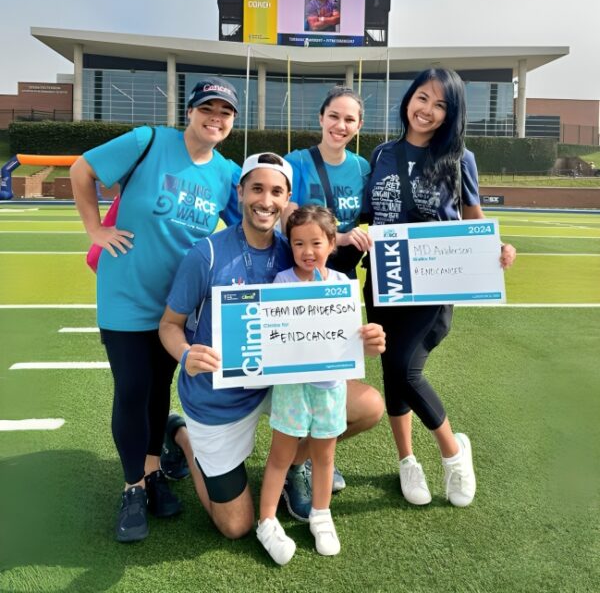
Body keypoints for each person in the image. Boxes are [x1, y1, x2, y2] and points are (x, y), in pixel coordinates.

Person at [158, 153, 386, 544]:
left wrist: (360, 340)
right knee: (236, 526)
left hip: (280, 386)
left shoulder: (294, 250)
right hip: (221, 397)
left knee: (369, 406)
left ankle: (295, 463)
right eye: (257, 189)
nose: (266, 200)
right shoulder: (206, 254)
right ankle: (182, 436)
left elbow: (323, 324)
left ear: (287, 198)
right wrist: (186, 355)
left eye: (276, 191)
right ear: (241, 192)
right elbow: (170, 325)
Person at [70, 76, 242, 543]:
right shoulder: (149, 141)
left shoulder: (227, 172)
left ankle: (152, 473)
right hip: (125, 293)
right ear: (190, 111)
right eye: (208, 108)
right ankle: (131, 488)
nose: (216, 118)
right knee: (132, 388)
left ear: (232, 121)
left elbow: (252, 223)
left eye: (225, 112)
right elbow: (82, 170)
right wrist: (94, 230)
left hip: (177, 308)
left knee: (158, 390)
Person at [362, 67, 517, 509]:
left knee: (407, 368)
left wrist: (498, 245)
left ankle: (453, 454)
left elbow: (473, 217)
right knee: (391, 369)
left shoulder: (459, 158)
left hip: (433, 284)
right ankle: (407, 460)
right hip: (385, 279)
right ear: (409, 99)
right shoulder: (381, 154)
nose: (427, 110)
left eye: (440, 104)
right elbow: (369, 216)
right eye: (422, 98)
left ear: (451, 114)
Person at [258, 205, 348, 565]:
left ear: (331, 243)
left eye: (316, 243)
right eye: (298, 244)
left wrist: (369, 337)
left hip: (330, 386)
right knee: (281, 455)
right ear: (289, 245)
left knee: (324, 455)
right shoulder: (282, 282)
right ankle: (266, 520)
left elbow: (350, 337)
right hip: (292, 388)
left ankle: (321, 515)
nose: (307, 252)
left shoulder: (341, 284)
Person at [283, 86, 371, 279]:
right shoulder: (295, 162)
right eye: (333, 116)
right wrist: (342, 239)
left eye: (349, 120)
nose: (340, 126)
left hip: (344, 269)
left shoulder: (361, 167)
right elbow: (288, 227)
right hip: (304, 269)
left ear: (359, 125)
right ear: (321, 118)